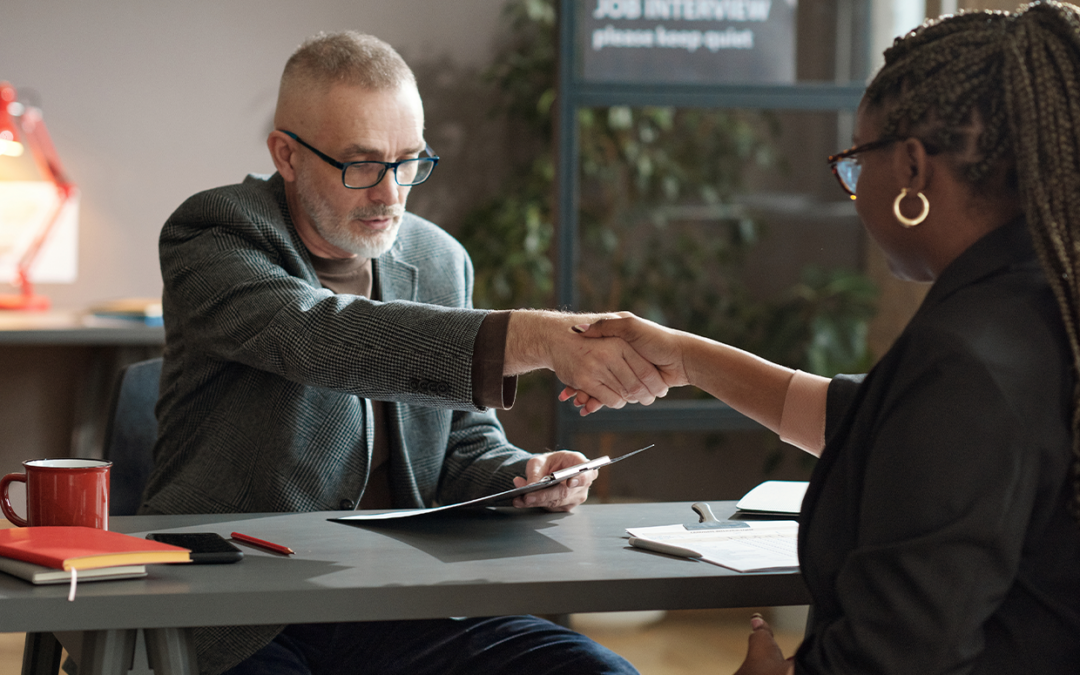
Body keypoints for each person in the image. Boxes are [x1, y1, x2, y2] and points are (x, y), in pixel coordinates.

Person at [568, 3, 1080, 673]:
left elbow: (898, 652)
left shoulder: (967, 357)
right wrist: (689, 356)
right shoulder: (1039, 307)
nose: (853, 189)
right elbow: (872, 426)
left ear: (913, 171)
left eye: (855, 162)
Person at [143, 31, 659, 675]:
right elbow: (316, 338)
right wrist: (528, 337)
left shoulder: (439, 258)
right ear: (287, 154)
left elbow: (463, 446)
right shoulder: (215, 232)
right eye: (361, 165)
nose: (391, 195)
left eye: (409, 161)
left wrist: (523, 476)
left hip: (405, 600)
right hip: (242, 605)